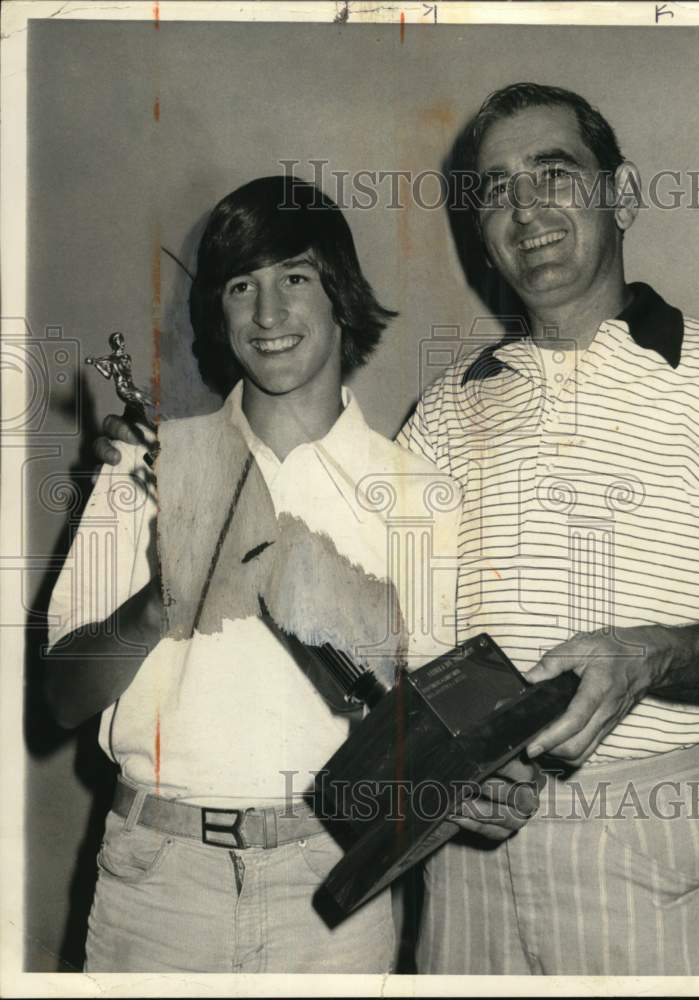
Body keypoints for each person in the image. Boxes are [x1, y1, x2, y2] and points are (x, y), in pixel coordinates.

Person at [46, 176, 538, 973]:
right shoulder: (143, 463)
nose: (268, 315)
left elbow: (438, 728)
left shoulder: (418, 493)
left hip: (333, 896)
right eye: (242, 286)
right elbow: (62, 698)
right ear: (219, 311)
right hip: (155, 886)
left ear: (340, 295)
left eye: (295, 280)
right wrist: (152, 608)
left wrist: (484, 791)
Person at [398, 82, 699, 975]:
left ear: (621, 193)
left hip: (660, 845)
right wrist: (456, 769)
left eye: (553, 173)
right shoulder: (443, 411)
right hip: (467, 863)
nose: (524, 209)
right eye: (496, 188)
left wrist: (656, 654)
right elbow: (414, 645)